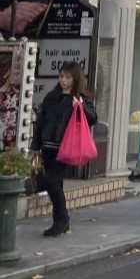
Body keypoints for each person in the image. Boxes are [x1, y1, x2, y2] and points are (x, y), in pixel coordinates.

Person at [29, 61, 97, 237]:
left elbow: (92, 118)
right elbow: (41, 121)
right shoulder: (52, 97)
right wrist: (35, 145)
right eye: (61, 76)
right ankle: (59, 220)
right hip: (48, 146)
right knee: (55, 183)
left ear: (75, 79)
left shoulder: (80, 98)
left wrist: (80, 107)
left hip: (65, 148)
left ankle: (62, 219)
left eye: (67, 77)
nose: (63, 80)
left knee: (50, 181)